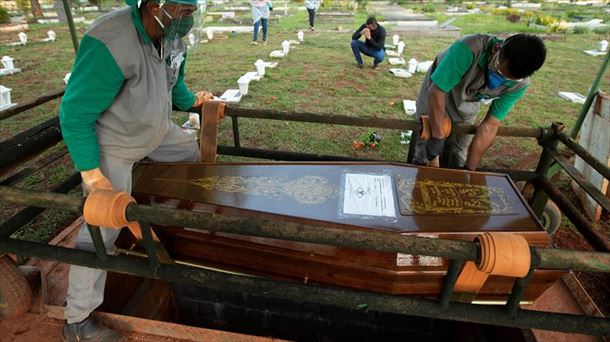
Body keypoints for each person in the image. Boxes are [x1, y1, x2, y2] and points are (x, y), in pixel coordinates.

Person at [58, 0, 216, 340]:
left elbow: (175, 82)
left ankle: (165, 218)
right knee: (101, 229)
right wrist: (91, 173)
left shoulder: (172, 34)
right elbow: (74, 113)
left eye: (193, 12)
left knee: (189, 151)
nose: (188, 20)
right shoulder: (111, 42)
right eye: (184, 11)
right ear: (156, 4)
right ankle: (77, 322)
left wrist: (193, 102)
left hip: (155, 131)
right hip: (113, 144)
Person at [412, 33, 546, 170]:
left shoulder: (520, 84)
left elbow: (491, 124)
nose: (501, 80)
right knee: (426, 148)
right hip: (437, 90)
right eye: (500, 72)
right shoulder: (468, 49)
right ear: (496, 49)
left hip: (468, 100)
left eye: (508, 79)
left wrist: (470, 171)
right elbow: (437, 92)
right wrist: (437, 136)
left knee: (457, 155)